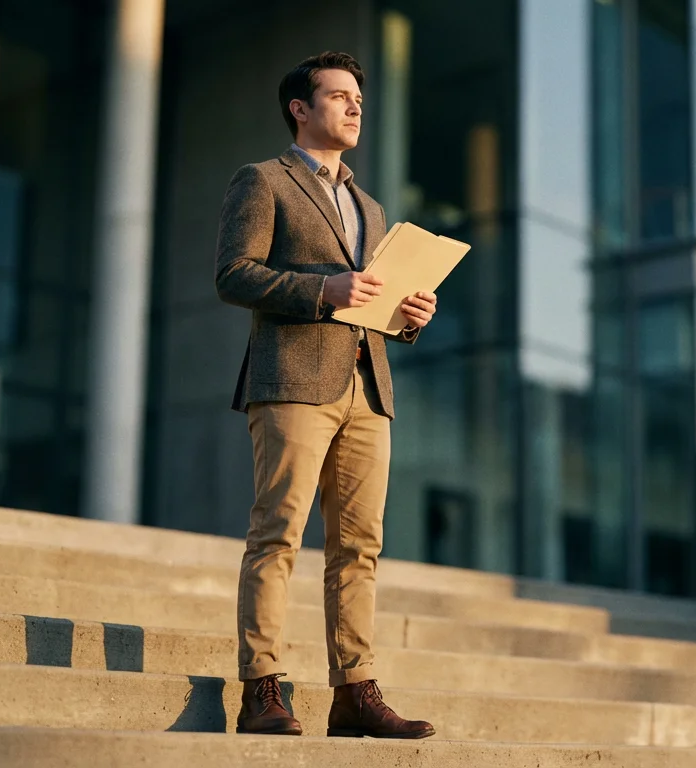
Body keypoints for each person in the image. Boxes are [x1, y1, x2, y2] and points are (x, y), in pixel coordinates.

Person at [214, 51, 437, 739]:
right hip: (292, 383)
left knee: (359, 547)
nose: (354, 107)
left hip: (367, 389)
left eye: (358, 100)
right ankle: (262, 689)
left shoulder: (371, 207)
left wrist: (408, 316)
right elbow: (234, 275)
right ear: (300, 109)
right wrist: (321, 290)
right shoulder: (263, 181)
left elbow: (371, 302)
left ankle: (354, 692)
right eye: (339, 97)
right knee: (277, 533)